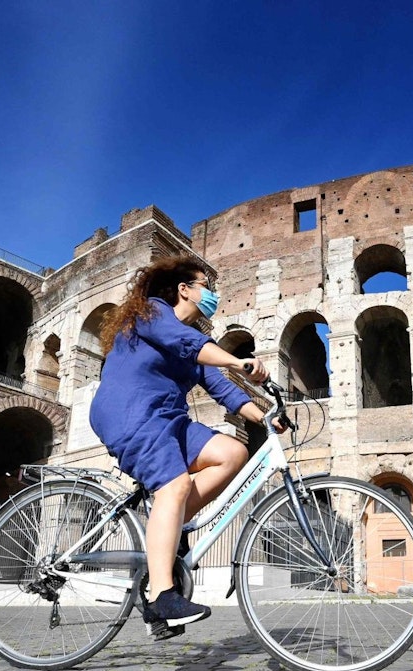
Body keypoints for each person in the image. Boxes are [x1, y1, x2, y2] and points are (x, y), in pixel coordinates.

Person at [90, 254, 284, 640]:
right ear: (184, 289)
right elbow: (187, 343)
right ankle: (162, 595)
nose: (212, 295)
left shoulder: (193, 344)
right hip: (130, 411)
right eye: (206, 287)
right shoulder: (151, 313)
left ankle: (170, 523)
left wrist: (265, 416)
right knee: (175, 485)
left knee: (232, 453)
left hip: (168, 419)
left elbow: (224, 389)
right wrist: (240, 362)